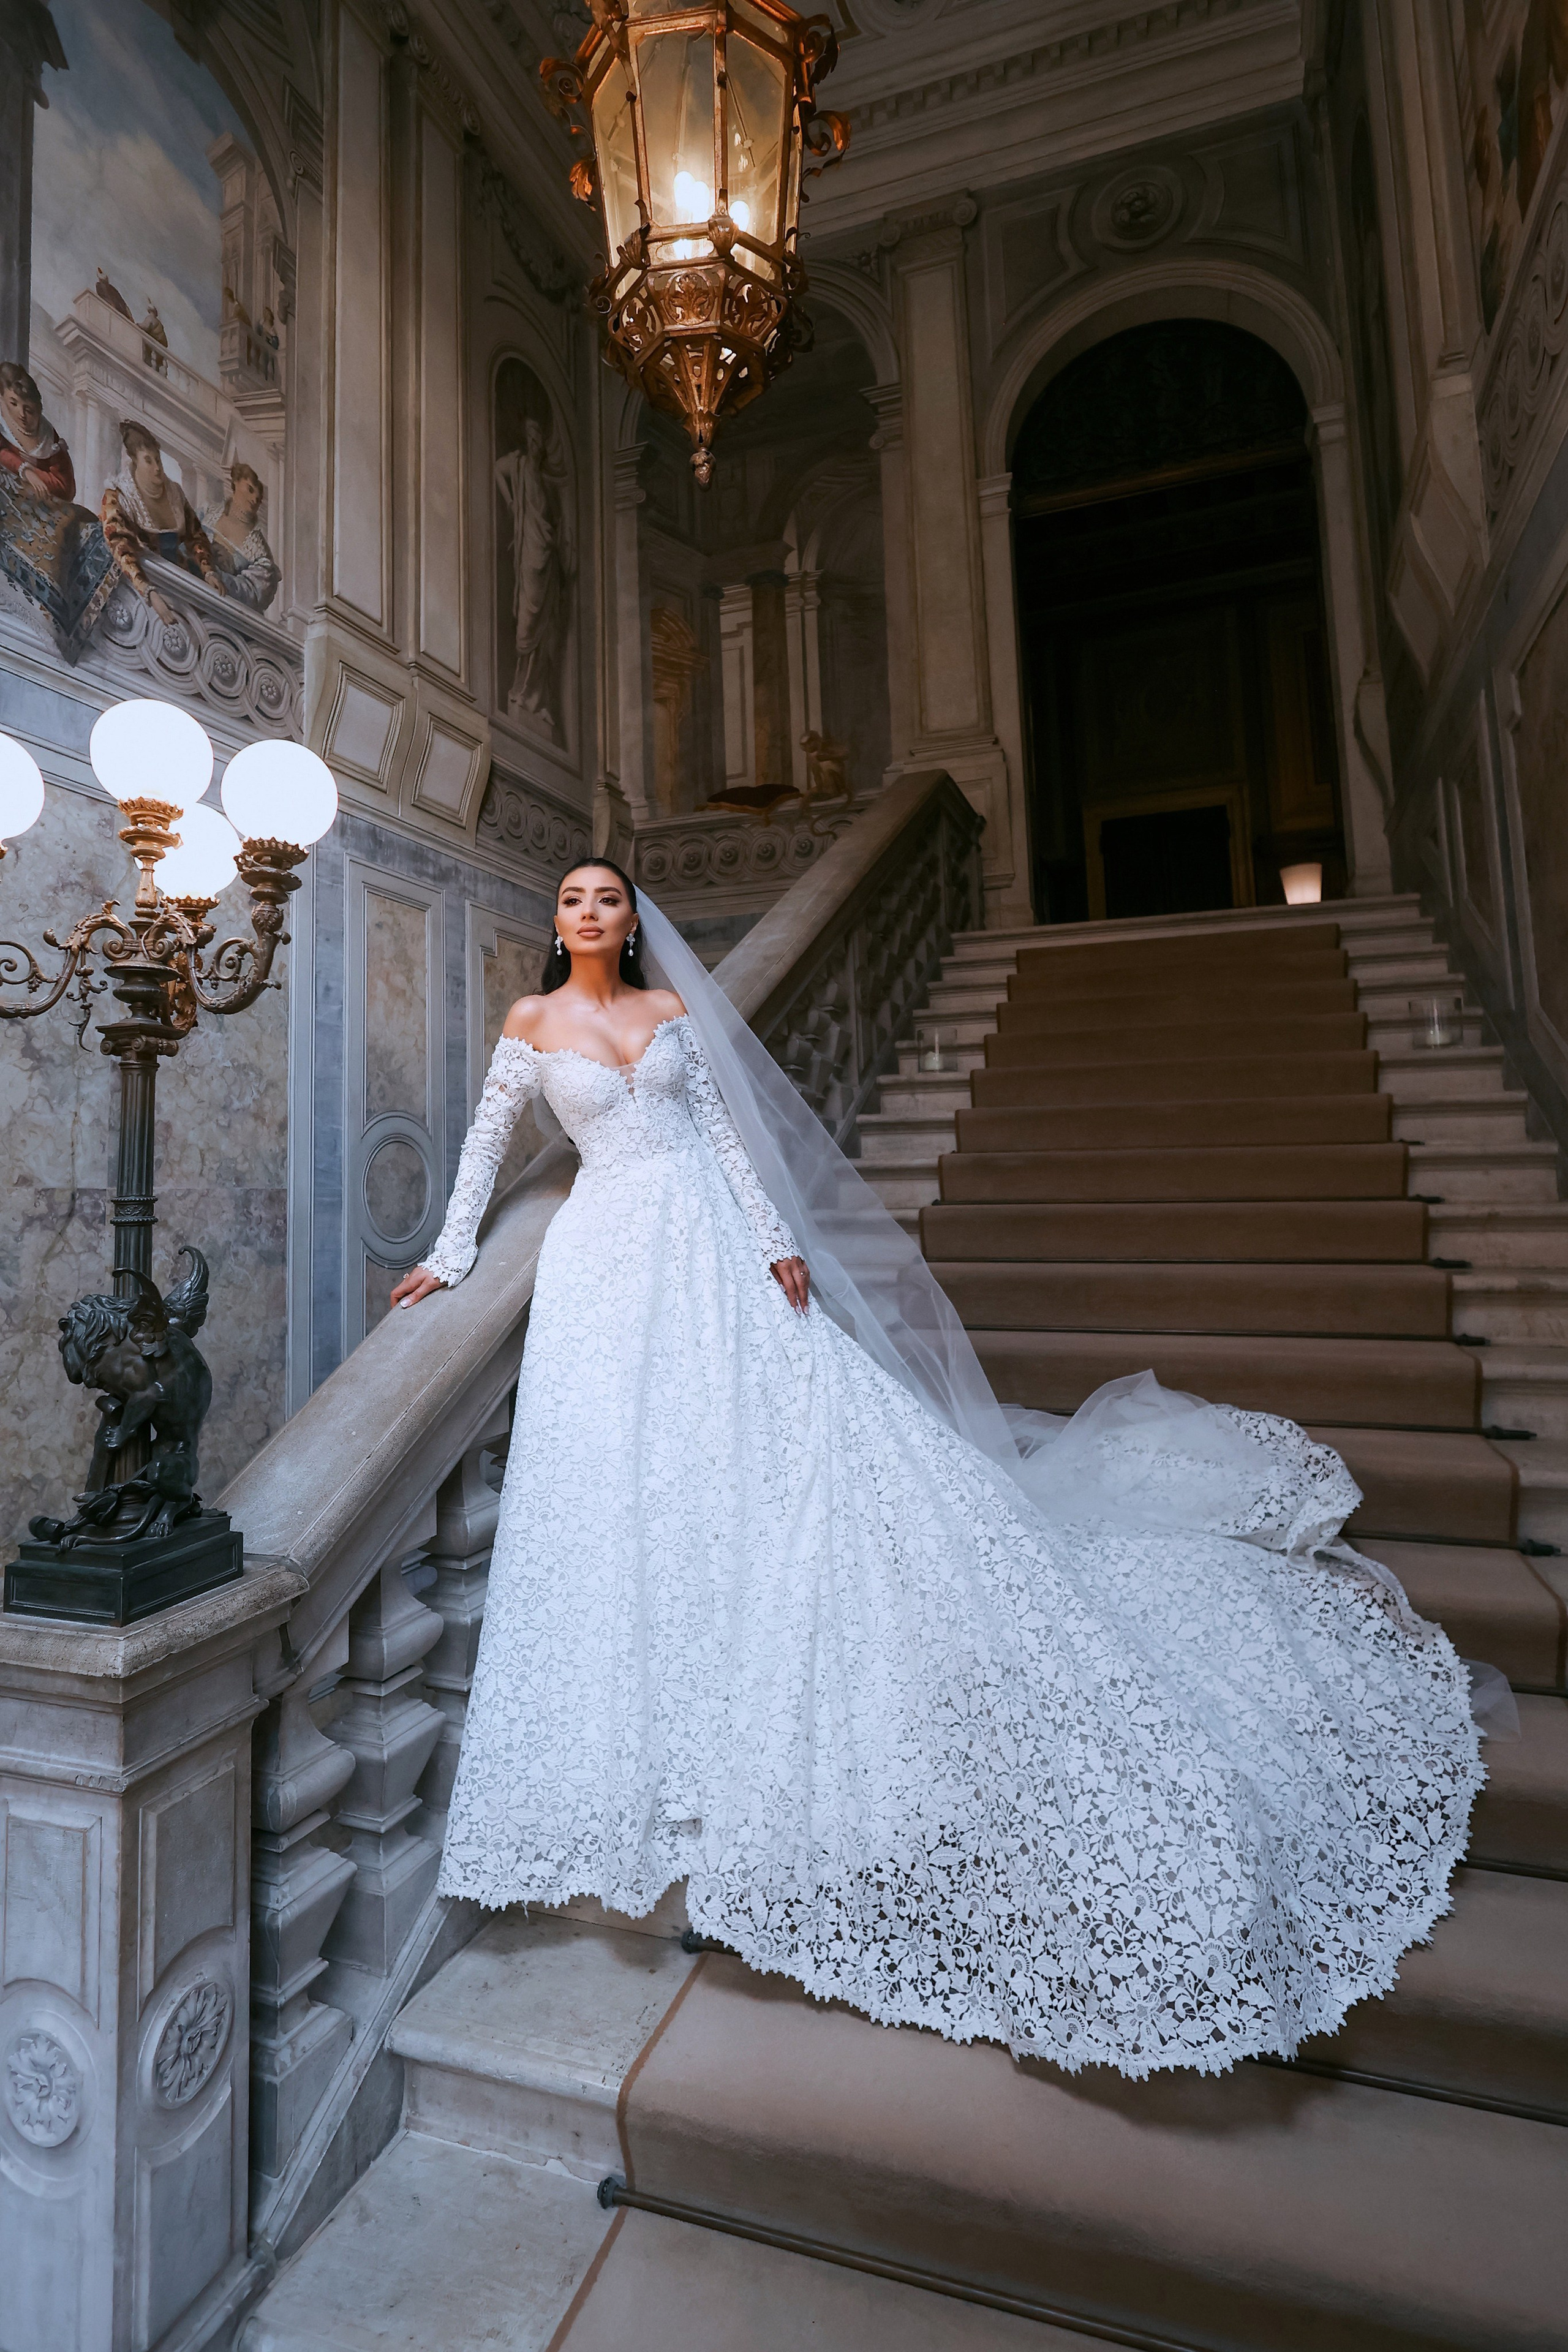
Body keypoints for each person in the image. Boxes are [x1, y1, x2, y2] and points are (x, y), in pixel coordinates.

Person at [394, 862, 1492, 2076]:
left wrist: (775, 1251)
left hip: (703, 1242)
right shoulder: (530, 1025)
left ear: (629, 920)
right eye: (571, 899)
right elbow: (487, 1150)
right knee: (619, 1494)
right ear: (554, 924)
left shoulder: (667, 1019)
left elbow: (729, 1148)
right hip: (605, 1260)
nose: (588, 912)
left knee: (766, 1450)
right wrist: (447, 1259)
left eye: (606, 897)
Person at [0, 363, 116, 660]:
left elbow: (66, 488)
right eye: (13, 404)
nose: (22, 416)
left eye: (29, 409)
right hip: (9, 494)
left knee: (76, 523)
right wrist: (24, 469)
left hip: (45, 503)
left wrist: (40, 480)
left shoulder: (48, 438)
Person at [101, 420, 225, 625]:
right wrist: (149, 592)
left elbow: (195, 536)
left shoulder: (174, 493)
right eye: (149, 461)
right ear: (134, 461)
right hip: (138, 581)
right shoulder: (118, 495)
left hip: (177, 577)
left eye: (158, 459)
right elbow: (120, 547)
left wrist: (208, 570)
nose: (158, 468)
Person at [202, 462, 280, 612]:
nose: (254, 500)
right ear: (236, 483)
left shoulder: (259, 550)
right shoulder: (207, 513)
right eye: (250, 489)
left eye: (259, 498)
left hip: (224, 611)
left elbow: (253, 595)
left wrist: (216, 575)